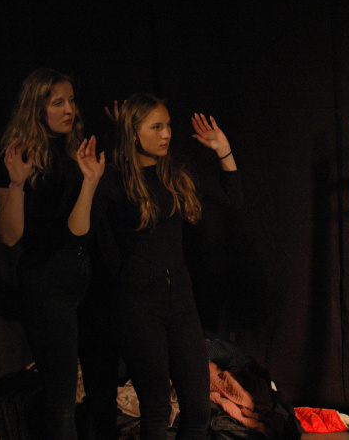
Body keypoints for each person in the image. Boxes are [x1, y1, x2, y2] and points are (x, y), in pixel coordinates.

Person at [96, 92, 242, 439]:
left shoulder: (174, 173)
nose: (167, 134)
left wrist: (223, 149)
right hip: (139, 304)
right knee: (157, 412)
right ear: (133, 133)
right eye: (156, 127)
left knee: (198, 409)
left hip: (181, 301)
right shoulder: (114, 181)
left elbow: (232, 199)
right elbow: (101, 247)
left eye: (168, 126)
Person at [0, 68, 105, 439]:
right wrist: (17, 184)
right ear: (36, 109)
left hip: (86, 280)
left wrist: (89, 181)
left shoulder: (78, 152)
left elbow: (79, 232)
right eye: (58, 102)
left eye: (71, 100)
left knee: (99, 390)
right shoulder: (18, 157)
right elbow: (9, 236)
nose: (69, 109)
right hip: (46, 287)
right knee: (61, 400)